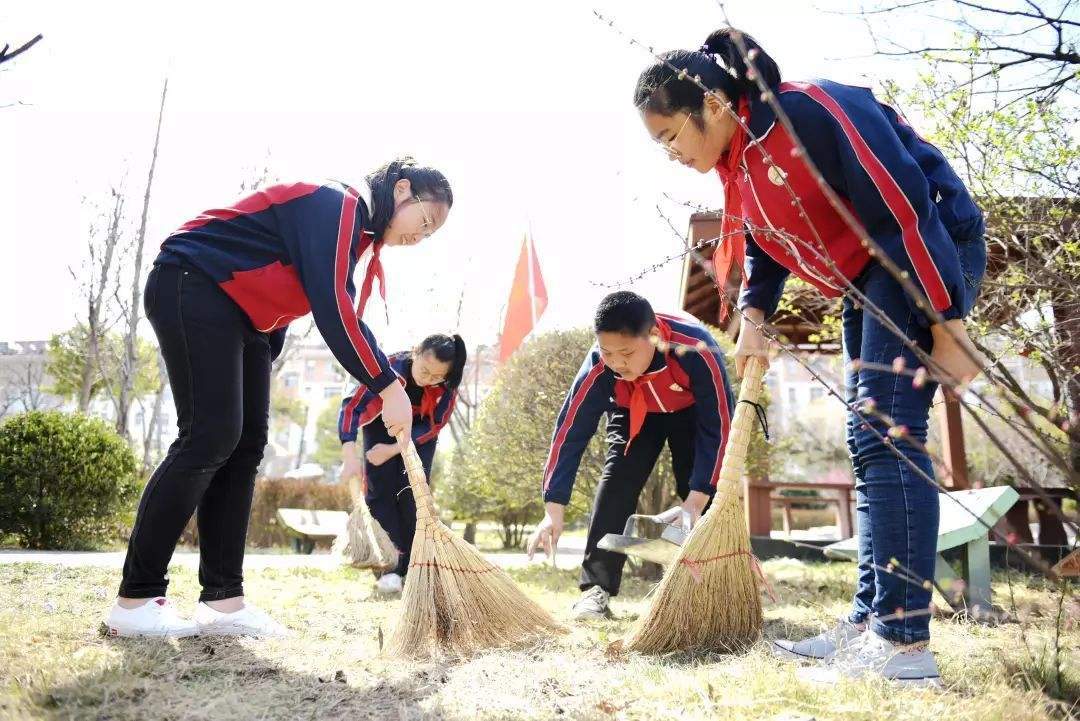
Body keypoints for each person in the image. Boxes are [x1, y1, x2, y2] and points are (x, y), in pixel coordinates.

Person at [632, 29, 986, 684]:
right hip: (866, 278)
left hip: (922, 254)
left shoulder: (812, 109)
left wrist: (946, 323)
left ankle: (905, 643)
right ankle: (868, 621)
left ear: (710, 102)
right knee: (866, 439)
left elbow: (903, 209)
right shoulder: (738, 163)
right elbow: (763, 241)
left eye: (671, 136)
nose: (672, 154)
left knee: (886, 430)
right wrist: (754, 315)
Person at [105, 158, 453, 638]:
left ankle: (222, 602)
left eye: (431, 234)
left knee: (245, 446)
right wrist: (388, 384)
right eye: (426, 221)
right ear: (402, 190)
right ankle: (136, 599)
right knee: (207, 439)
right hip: (194, 283)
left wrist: (260, 352)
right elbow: (335, 309)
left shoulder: (357, 234)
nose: (421, 236)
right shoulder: (340, 204)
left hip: (244, 319)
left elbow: (300, 290)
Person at [527, 292, 735, 620]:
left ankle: (713, 586)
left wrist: (694, 502)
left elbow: (720, 425)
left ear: (652, 336)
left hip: (690, 413)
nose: (617, 362)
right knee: (617, 482)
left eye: (626, 352)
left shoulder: (695, 348)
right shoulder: (599, 365)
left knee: (698, 488)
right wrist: (553, 509)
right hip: (633, 409)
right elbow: (570, 431)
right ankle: (596, 589)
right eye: (608, 352)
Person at [338, 333, 466, 594]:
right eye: (424, 371)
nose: (428, 380)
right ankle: (389, 569)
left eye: (436, 377)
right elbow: (352, 407)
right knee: (380, 495)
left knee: (413, 496)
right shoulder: (384, 369)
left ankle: (416, 567)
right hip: (381, 426)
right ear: (415, 352)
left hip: (419, 435)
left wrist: (394, 450)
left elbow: (435, 426)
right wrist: (349, 457)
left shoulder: (448, 386)